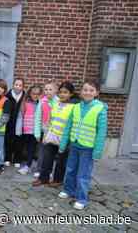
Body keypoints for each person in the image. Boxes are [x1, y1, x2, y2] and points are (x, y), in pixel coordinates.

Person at [58, 80, 108, 210]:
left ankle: (81, 198)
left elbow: (101, 132)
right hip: (74, 145)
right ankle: (68, 190)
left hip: (88, 148)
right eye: (85, 90)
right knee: (70, 169)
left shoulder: (100, 109)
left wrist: (98, 151)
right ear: (81, 92)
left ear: (96, 93)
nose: (88, 92)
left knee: (83, 174)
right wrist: (63, 143)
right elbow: (68, 127)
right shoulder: (76, 107)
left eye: (91, 90)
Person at [32, 81, 76, 187]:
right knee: (47, 158)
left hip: (64, 138)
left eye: (65, 92)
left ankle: (57, 180)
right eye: (61, 92)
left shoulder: (73, 107)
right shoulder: (56, 104)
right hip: (52, 136)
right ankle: (43, 178)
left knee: (61, 160)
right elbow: (50, 121)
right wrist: (46, 134)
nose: (62, 94)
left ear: (71, 94)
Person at [33, 81, 59, 178]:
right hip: (44, 132)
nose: (48, 91)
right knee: (42, 152)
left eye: (50, 89)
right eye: (46, 89)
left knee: (52, 153)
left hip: (55, 132)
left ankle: (49, 171)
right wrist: (37, 133)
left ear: (55, 91)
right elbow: (38, 118)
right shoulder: (42, 102)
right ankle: (39, 169)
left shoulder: (59, 102)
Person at [18, 85, 42, 175]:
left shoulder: (41, 104)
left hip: (35, 131)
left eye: (37, 94)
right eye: (33, 94)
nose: (35, 96)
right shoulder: (26, 103)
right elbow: (22, 115)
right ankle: (30, 163)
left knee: (32, 148)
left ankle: (28, 166)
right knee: (27, 149)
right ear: (30, 94)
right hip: (26, 130)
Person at [4, 78, 26, 168]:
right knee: (8, 140)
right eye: (16, 84)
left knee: (19, 140)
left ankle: (17, 159)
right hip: (9, 121)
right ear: (13, 85)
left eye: (20, 85)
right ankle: (7, 158)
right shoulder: (8, 95)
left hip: (20, 121)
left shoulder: (25, 96)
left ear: (22, 87)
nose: (18, 87)